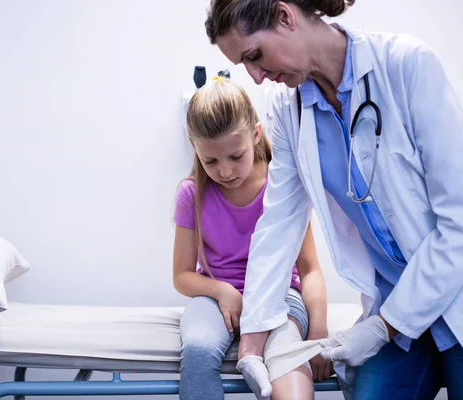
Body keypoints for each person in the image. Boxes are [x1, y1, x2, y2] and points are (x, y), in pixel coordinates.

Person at [204, 0, 463, 399]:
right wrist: (253, 341)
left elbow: (458, 224)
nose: (255, 77)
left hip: (453, 292)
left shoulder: (407, 65)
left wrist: (382, 328)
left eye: (254, 56)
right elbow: (278, 225)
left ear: (285, 16)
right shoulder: (289, 110)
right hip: (394, 309)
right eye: (245, 65)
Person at [172, 75, 331, 400]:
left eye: (235, 157)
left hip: (280, 293)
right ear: (195, 149)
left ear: (256, 135)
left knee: (286, 355)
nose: (225, 172)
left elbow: (310, 268)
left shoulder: (281, 186)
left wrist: (318, 332)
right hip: (215, 298)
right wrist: (222, 290)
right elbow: (182, 276)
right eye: (211, 161)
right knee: (199, 351)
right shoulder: (192, 194)